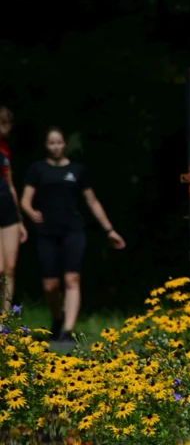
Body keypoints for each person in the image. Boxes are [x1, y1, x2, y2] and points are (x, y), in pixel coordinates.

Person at [20, 127, 125, 342]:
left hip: (73, 231)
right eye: (51, 143)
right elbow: (25, 200)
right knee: (50, 286)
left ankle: (67, 333)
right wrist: (31, 212)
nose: (56, 146)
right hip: (47, 232)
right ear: (46, 145)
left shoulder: (78, 170)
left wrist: (109, 230)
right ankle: (58, 318)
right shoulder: (37, 169)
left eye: (59, 142)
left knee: (72, 279)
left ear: (65, 144)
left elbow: (92, 201)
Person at [0, 107, 28, 311]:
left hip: (8, 207)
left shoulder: (5, 148)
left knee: (10, 268)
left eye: (8, 124)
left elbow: (10, 183)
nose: (6, 128)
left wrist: (20, 220)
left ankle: (5, 322)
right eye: (3, 123)